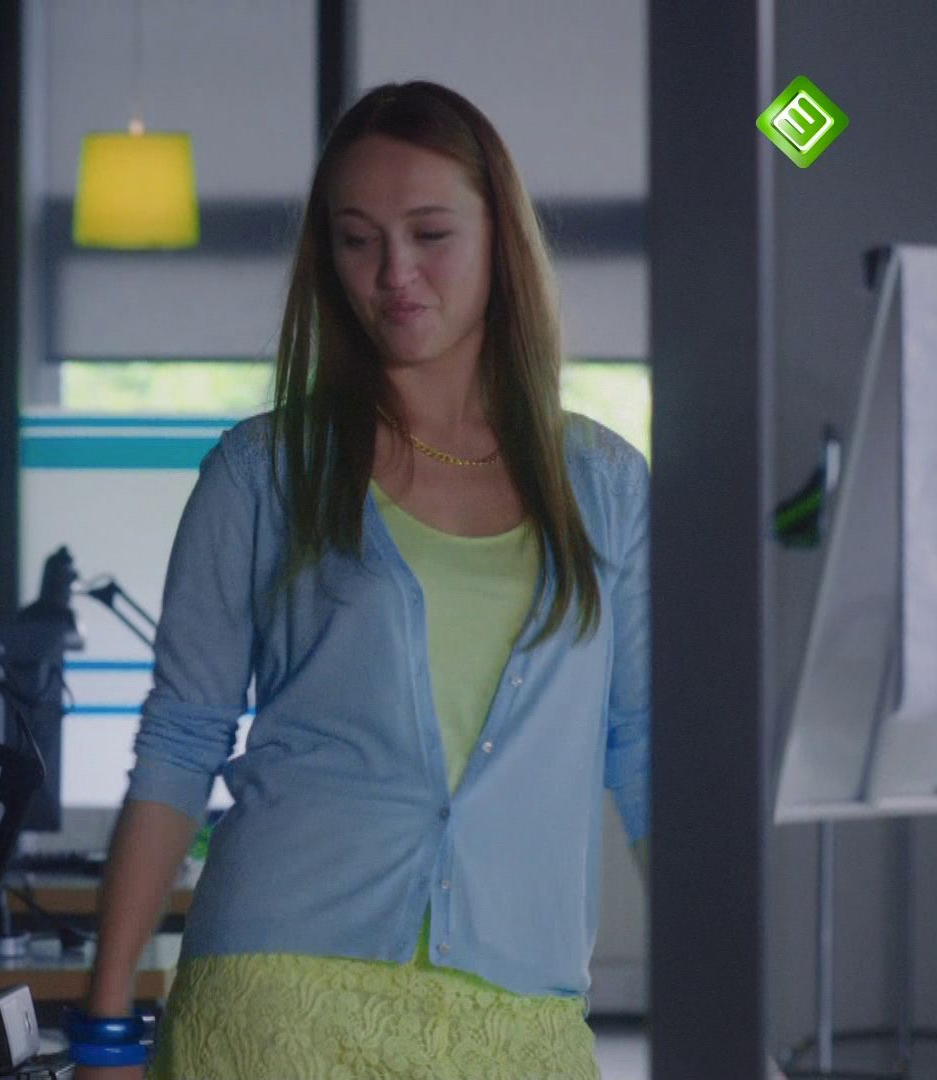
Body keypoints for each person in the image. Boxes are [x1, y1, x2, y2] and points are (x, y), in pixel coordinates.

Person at [70, 81, 652, 1080]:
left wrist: (738, 991)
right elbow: (180, 739)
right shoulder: (262, 473)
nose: (394, 275)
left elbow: (643, 753)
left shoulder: (605, 487)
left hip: (520, 1015)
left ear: (500, 239)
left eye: (431, 234)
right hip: (274, 1001)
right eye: (357, 240)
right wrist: (106, 1020)